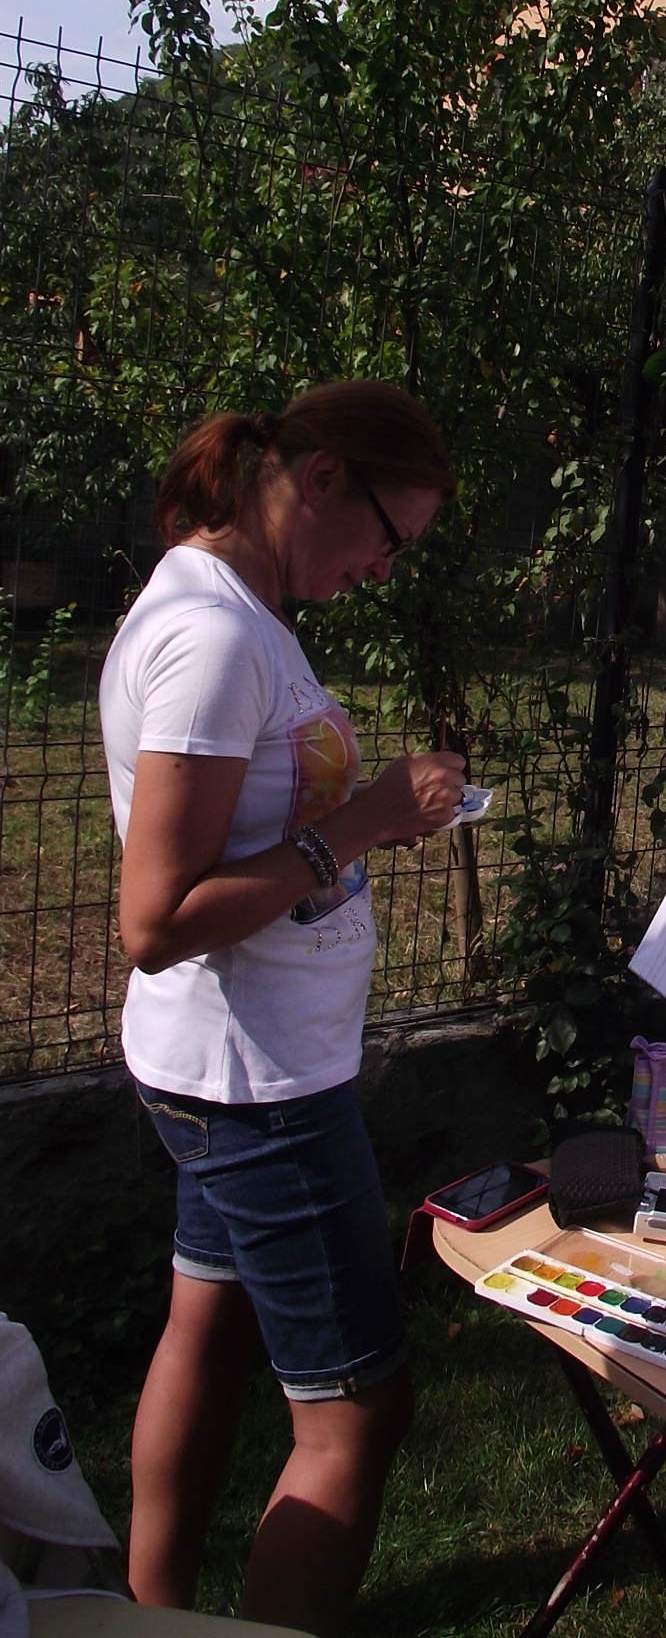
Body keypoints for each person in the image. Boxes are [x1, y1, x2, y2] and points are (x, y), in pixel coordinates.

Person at [98, 382, 467, 1636]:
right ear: (319, 479)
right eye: (389, 535)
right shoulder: (215, 638)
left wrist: (366, 824)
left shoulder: (238, 608)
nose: (385, 567)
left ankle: (151, 1613)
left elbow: (255, 832)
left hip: (232, 1072)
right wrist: (361, 822)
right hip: (258, 1092)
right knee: (358, 1413)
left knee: (206, 1328)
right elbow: (155, 918)